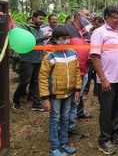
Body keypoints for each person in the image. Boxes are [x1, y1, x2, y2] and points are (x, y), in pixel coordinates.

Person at [90, 6, 118, 155]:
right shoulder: (99, 33)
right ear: (107, 17)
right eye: (115, 17)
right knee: (107, 110)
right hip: (108, 79)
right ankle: (104, 140)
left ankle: (114, 135)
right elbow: (95, 56)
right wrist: (103, 79)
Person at [39, 25, 82, 156]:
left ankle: (64, 143)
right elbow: (43, 77)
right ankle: (54, 147)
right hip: (55, 95)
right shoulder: (50, 56)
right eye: (63, 38)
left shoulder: (73, 53)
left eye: (68, 38)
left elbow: (77, 72)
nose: (67, 41)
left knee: (65, 118)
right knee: (55, 119)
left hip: (69, 93)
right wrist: (45, 98)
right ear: (56, 39)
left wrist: (78, 89)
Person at [12, 10, 51, 111]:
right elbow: (30, 41)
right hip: (28, 59)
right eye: (40, 18)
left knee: (36, 81)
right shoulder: (27, 28)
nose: (41, 21)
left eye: (43, 19)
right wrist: (42, 38)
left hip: (38, 59)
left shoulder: (40, 30)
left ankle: (36, 103)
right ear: (34, 18)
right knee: (25, 81)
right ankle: (16, 100)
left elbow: (39, 45)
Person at [65, 9, 92, 138]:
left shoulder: (87, 32)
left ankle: (70, 127)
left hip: (84, 70)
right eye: (86, 15)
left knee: (75, 100)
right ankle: (65, 128)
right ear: (78, 16)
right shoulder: (66, 29)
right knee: (66, 102)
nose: (89, 17)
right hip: (69, 72)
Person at [83, 16, 105, 99]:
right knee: (88, 74)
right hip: (92, 56)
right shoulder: (91, 31)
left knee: (98, 74)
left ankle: (97, 91)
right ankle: (85, 91)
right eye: (95, 24)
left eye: (98, 24)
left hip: (101, 58)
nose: (96, 26)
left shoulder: (105, 32)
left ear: (102, 23)